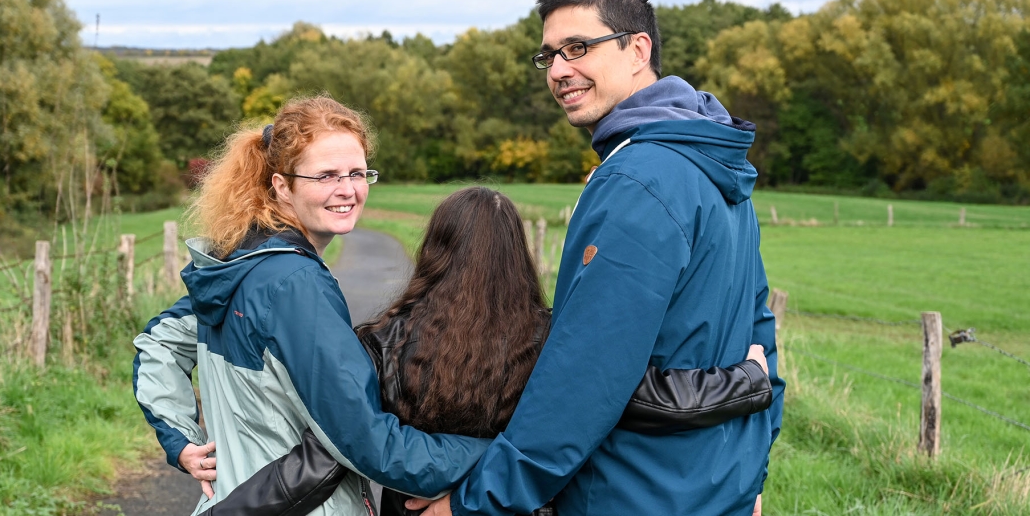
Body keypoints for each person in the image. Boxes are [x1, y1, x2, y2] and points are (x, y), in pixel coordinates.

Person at [411, 0, 785, 516]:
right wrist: (752, 476)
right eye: (549, 56)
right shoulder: (712, 164)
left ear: (638, 49)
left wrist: (476, 501)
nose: (560, 70)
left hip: (633, 493)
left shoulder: (638, 180)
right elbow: (762, 338)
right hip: (716, 490)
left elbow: (584, 378)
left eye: (578, 48)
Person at [203, 186, 775, 516]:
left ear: (434, 251)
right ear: (519, 257)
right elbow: (643, 397)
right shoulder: (556, 340)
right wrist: (747, 380)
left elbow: (327, 454)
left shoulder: (381, 340)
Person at [132, 95, 492, 516]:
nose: (347, 190)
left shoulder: (243, 264)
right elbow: (367, 442)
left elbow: (157, 343)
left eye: (357, 173)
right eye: (325, 176)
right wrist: (488, 454)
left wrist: (181, 440)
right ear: (282, 186)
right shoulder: (294, 284)